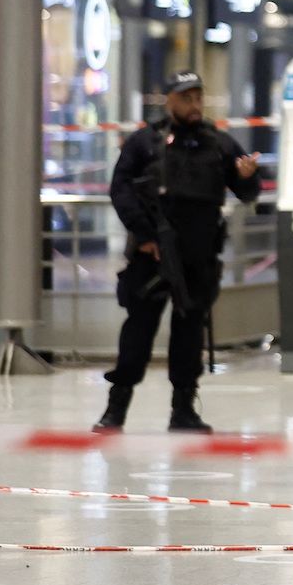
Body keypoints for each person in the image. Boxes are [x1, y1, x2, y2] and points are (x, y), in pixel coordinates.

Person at [93, 72, 262, 432]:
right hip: (151, 255)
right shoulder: (145, 143)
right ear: (169, 100)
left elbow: (247, 193)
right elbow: (120, 189)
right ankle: (116, 409)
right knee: (138, 332)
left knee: (189, 337)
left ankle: (183, 409)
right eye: (187, 98)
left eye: (199, 97)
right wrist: (144, 234)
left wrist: (248, 176)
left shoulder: (219, 143)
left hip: (198, 258)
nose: (195, 105)